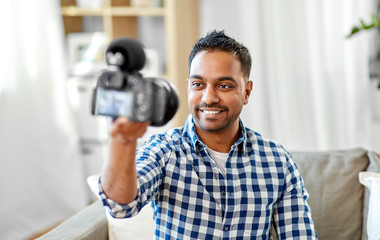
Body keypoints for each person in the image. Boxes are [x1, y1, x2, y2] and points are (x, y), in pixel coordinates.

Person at [99, 30, 318, 239]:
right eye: (198, 84)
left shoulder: (277, 161)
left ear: (247, 91)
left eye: (223, 85)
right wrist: (122, 140)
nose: (209, 97)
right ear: (188, 88)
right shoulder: (164, 150)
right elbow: (121, 207)